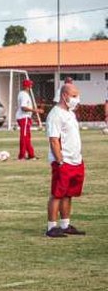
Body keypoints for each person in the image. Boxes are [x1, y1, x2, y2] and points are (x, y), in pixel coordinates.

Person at [45, 83, 86, 238]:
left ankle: (65, 224)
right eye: (74, 96)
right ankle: (51, 227)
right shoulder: (55, 114)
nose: (77, 99)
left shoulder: (70, 113)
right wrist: (60, 161)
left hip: (76, 160)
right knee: (57, 193)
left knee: (68, 194)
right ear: (64, 95)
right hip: (63, 162)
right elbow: (54, 140)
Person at [15, 79, 37, 160]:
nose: (31, 86)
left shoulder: (23, 94)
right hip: (24, 117)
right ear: (26, 86)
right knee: (24, 137)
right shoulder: (24, 95)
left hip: (26, 117)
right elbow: (23, 107)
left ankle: (31, 155)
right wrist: (35, 111)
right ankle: (21, 156)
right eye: (30, 85)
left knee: (27, 137)